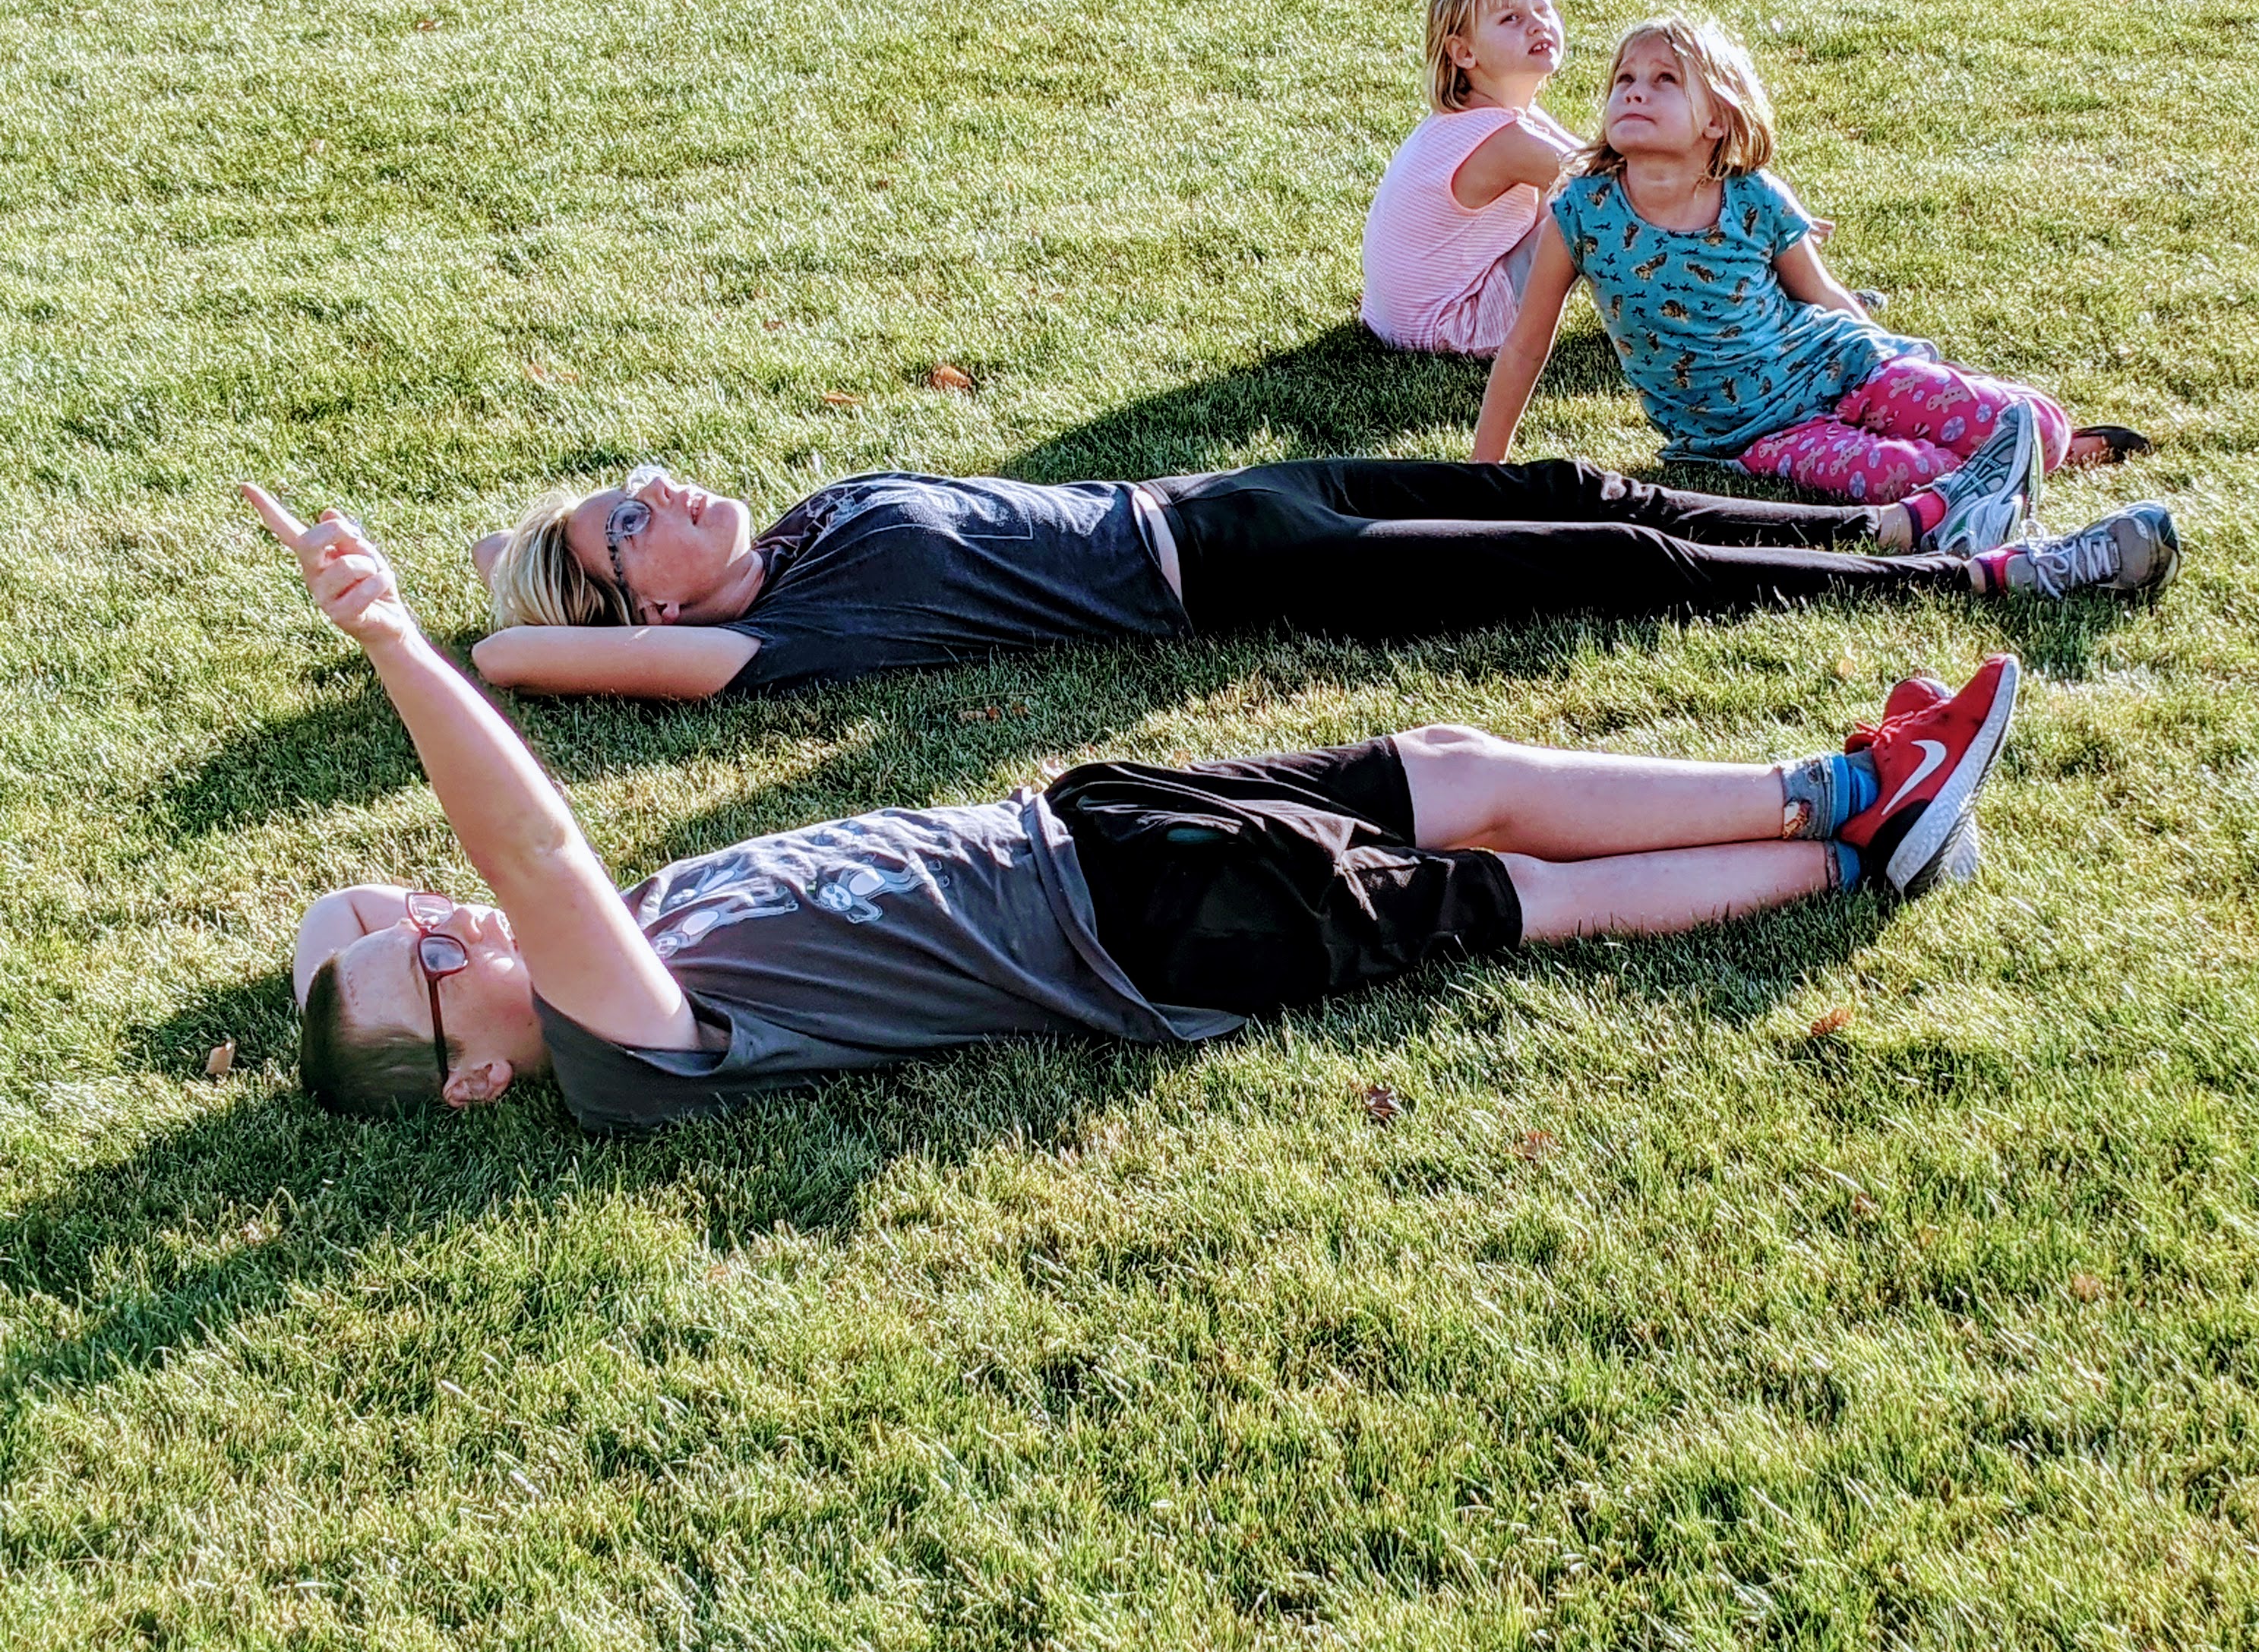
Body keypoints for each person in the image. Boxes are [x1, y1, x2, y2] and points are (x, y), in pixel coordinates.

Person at [249, 484, 2026, 1132]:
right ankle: (1856, 843)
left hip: (1086, 826)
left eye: (399, 899)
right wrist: (395, 635)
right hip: (1148, 927)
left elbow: (524, 872)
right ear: (471, 1076)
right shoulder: (617, 1049)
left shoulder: (636, 933)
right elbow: (534, 846)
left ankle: (1828, 779)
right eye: (419, 957)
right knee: (1501, 894)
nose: (440, 914)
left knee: (1457, 764)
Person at [465, 453, 2179, 702]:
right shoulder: (778, 631)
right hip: (1233, 578)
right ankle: (1999, 575)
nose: (658, 494)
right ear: (652, 611)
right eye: (629, 528)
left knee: (1565, 486)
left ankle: (1894, 525)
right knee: (1607, 558)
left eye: (631, 486)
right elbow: (516, 658)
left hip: (1235, 493)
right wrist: (428, 627)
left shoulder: (810, 521)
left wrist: (534, 548)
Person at [1469, 11, 2158, 523]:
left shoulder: (1753, 197)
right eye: (1624, 79)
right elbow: (1527, 344)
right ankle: (2012, 471)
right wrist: (1483, 473)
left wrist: (1899, 360)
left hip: (1844, 365)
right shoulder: (1580, 213)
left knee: (2036, 423)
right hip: (1760, 433)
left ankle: (2046, 449)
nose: (1635, 92)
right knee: (1908, 478)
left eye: (1664, 80)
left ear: (1717, 120)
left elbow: (1821, 293)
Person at [1357, 0, 1585, 355]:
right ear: (1463, 52)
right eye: (1511, 18)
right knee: (1593, 211)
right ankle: (1673, 307)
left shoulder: (1472, 118)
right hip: (1450, 327)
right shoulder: (1502, 142)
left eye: (1541, 9)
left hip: (1394, 321)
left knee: (1575, 197)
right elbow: (1607, 185)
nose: (1537, 24)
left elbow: (1587, 159)